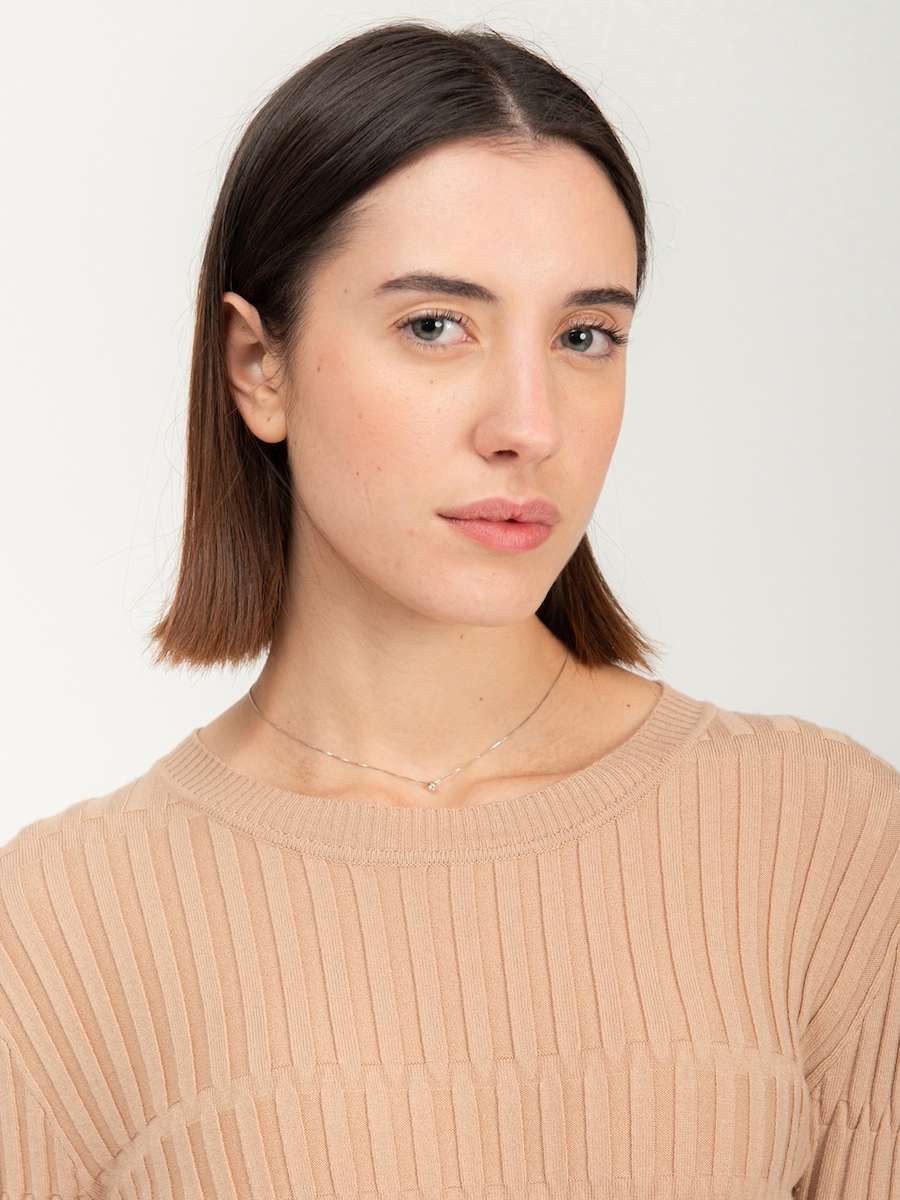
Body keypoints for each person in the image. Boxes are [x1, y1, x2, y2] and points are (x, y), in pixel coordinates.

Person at [0, 21, 897, 1199]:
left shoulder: (824, 845)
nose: (529, 424)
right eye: (436, 325)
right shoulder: (58, 938)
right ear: (257, 366)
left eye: (585, 336)